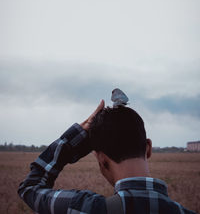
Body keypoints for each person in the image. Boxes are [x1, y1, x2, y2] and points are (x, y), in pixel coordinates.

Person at [18, 89, 196, 214]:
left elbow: (30, 188)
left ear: (102, 160)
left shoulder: (82, 207)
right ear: (148, 149)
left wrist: (74, 139)